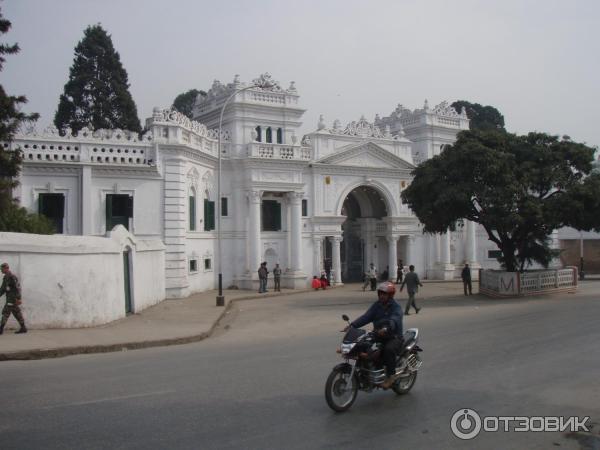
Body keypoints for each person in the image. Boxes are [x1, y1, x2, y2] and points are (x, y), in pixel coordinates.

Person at [347, 281, 404, 389]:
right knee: (361, 344)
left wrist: (387, 328)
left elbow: (394, 319)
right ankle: (367, 370)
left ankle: (391, 376)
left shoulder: (396, 307)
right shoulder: (377, 305)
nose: (381, 296)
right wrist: (352, 326)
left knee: (388, 350)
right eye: (380, 293)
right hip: (378, 334)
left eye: (384, 294)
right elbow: (366, 317)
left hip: (394, 337)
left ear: (390, 295)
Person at [0, 263, 27, 334]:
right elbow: (3, 289)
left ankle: (1, 329)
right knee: (17, 313)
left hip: (12, 299)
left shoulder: (12, 277)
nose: (1, 270)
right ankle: (23, 328)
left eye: (1, 269)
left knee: (5, 313)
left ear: (6, 268)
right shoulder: (6, 277)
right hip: (10, 299)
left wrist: (19, 298)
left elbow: (17, 288)